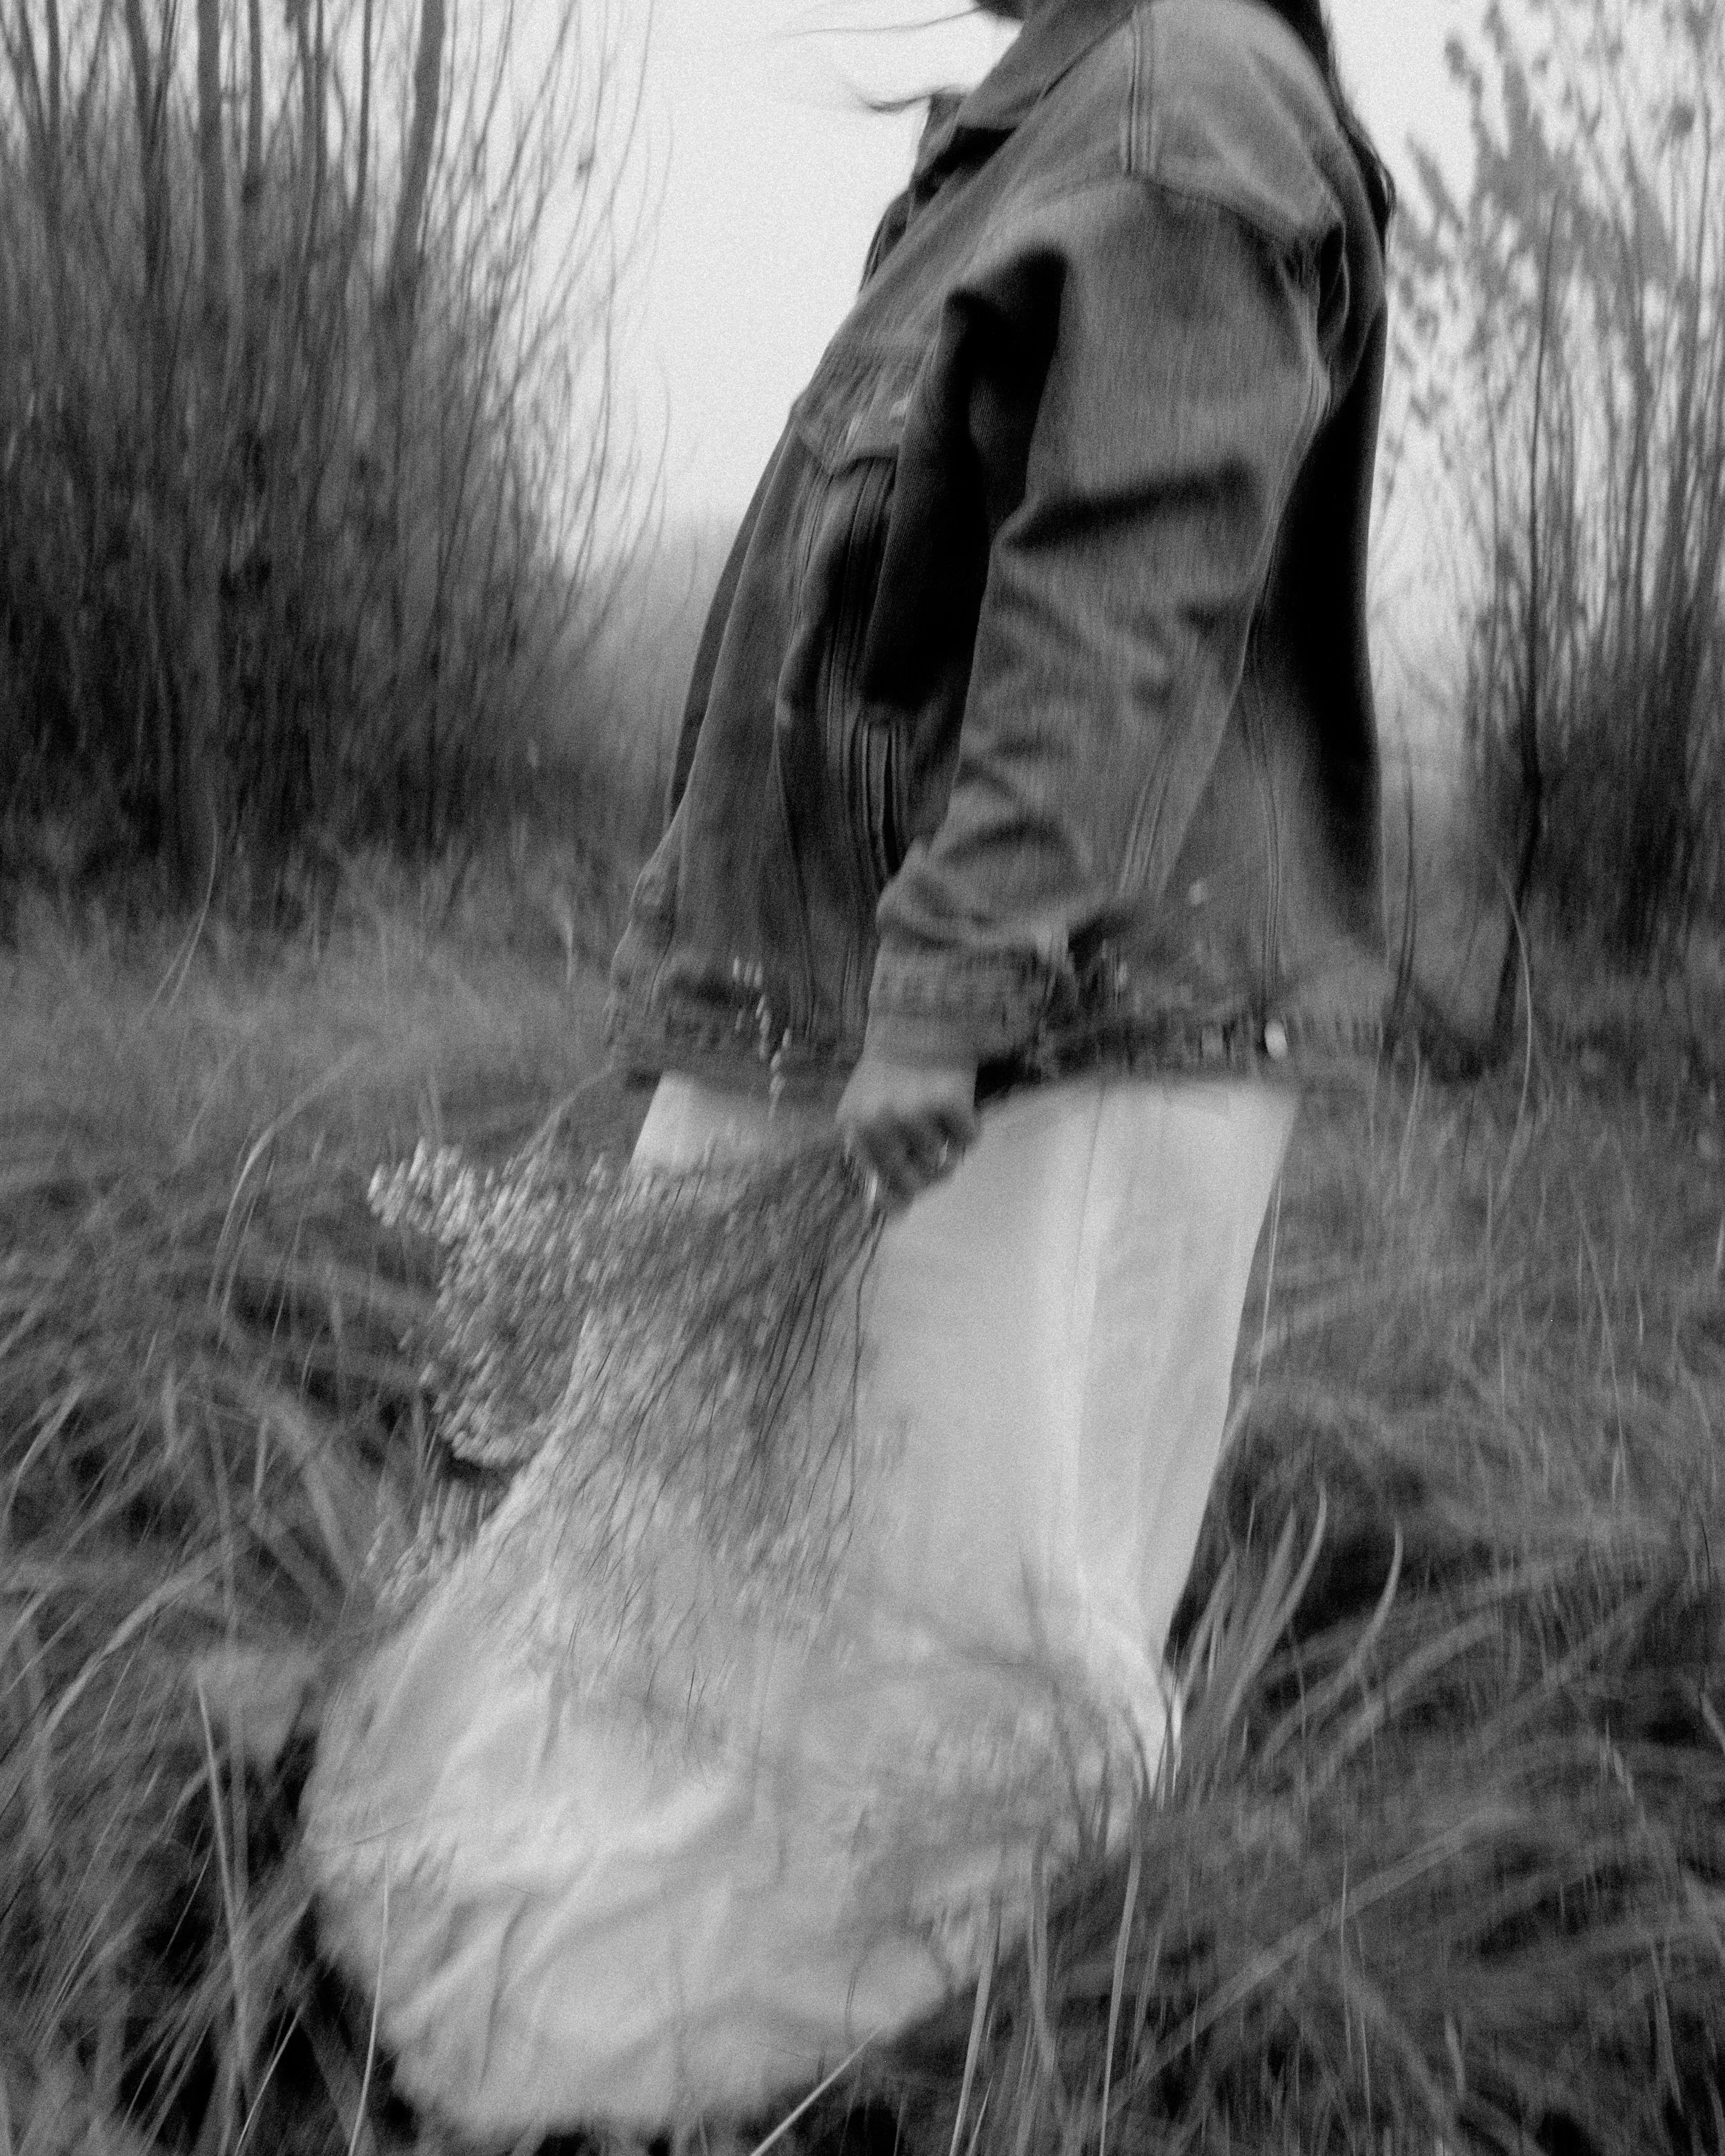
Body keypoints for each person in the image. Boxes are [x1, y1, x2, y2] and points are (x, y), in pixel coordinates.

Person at [304, 0, 1397, 2137]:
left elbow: (1125, 599)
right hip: (895, 996)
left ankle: (840, 2060)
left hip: (1021, 1035)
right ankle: (582, 2012)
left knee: (931, 1615)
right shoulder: (1082, 108)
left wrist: (951, 986)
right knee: (704, 1557)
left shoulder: (1180, 99)